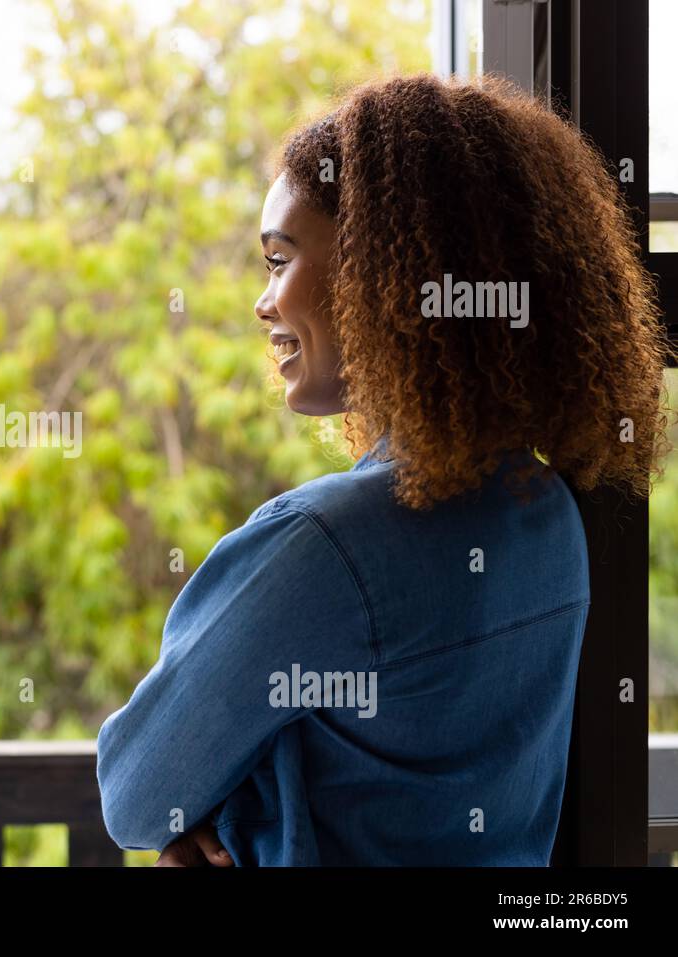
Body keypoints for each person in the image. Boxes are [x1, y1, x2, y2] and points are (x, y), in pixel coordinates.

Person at [95, 73, 670, 866]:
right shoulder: (548, 516)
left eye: (278, 259)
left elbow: (134, 792)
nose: (264, 301)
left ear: (377, 280)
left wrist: (224, 821)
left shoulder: (321, 548)